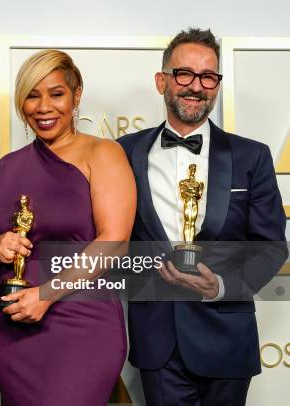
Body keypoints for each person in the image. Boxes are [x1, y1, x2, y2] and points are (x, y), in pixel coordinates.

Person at [118, 28, 287, 406]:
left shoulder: (252, 157)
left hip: (227, 334)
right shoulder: (123, 153)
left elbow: (272, 246)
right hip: (157, 339)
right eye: (185, 74)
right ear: (161, 80)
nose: (197, 86)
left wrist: (222, 287)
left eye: (208, 76)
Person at [0, 49, 136, 406]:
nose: (43, 107)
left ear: (76, 94)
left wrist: (46, 294)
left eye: (56, 94)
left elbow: (116, 241)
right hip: (14, 327)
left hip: (81, 325)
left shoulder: (103, 153)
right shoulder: (6, 166)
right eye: (32, 96)